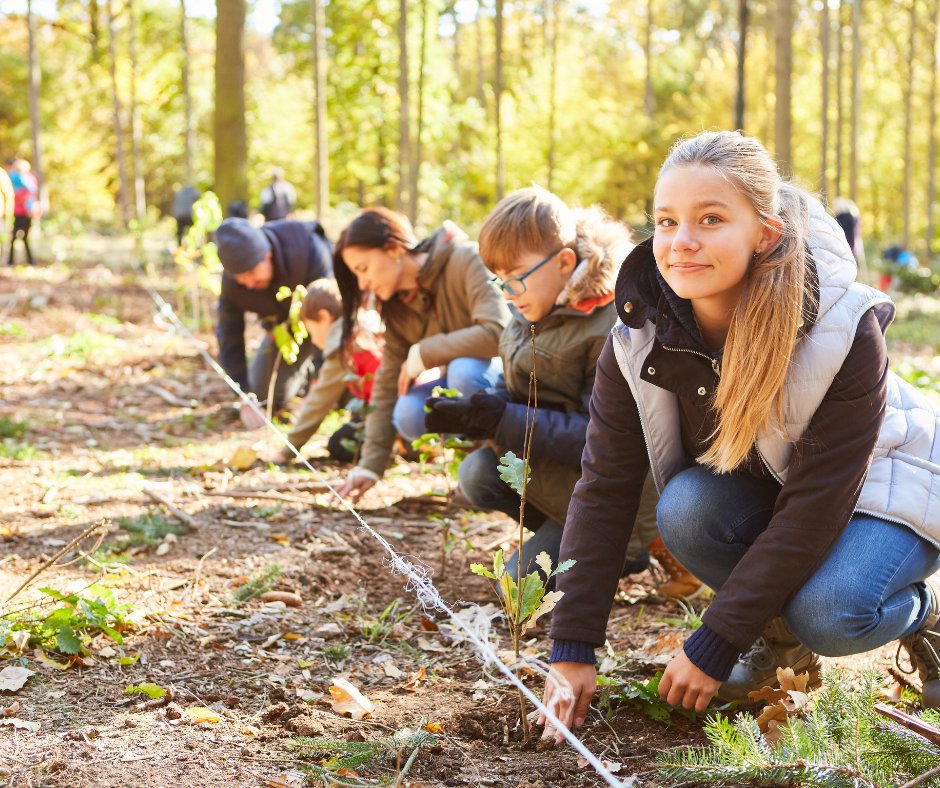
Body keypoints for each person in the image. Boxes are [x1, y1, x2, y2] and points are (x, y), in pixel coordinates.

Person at [540, 131, 940, 743]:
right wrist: (572, 644)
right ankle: (782, 644)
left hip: (892, 480)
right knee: (689, 506)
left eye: (711, 219)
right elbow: (605, 487)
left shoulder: (845, 326)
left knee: (832, 613)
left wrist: (715, 640)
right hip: (778, 492)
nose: (681, 242)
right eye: (667, 221)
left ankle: (929, 613)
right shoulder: (638, 332)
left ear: (765, 234)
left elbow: (814, 506)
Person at [423, 186, 667, 593]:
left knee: (516, 590)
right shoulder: (532, 304)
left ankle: (623, 547)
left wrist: (501, 420)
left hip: (614, 495)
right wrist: (477, 412)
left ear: (565, 263)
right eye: (498, 280)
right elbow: (521, 386)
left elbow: (601, 439)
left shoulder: (614, 324)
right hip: (567, 480)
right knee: (480, 473)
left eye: (515, 278)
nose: (507, 292)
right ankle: (575, 541)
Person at [333, 208, 510, 500]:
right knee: (407, 413)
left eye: (363, 269)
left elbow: (498, 332)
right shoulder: (398, 306)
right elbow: (387, 381)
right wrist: (370, 465)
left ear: (392, 249)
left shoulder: (465, 259)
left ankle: (501, 461)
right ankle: (468, 469)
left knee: (464, 371)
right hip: (462, 391)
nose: (362, 284)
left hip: (505, 383)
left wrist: (425, 352)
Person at [215, 217, 333, 427]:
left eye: (252, 272)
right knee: (264, 395)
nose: (249, 282)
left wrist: (317, 388)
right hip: (285, 332)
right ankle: (301, 381)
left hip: (327, 327)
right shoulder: (232, 284)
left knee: (332, 383)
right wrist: (243, 394)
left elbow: (333, 314)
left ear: (267, 255)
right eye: (241, 278)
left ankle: (328, 387)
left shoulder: (307, 249)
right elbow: (229, 335)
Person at [270, 278, 382, 464]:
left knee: (339, 444)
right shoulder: (363, 324)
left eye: (312, 332)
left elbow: (319, 402)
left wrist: (287, 450)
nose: (314, 341)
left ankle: (396, 442)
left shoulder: (344, 345)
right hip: (396, 401)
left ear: (324, 317)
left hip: (386, 412)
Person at [8, 159, 39, 266]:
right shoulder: (14, 178)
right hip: (18, 212)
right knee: (15, 237)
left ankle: (29, 260)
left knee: (24, 237)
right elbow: (14, 194)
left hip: (27, 212)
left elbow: (32, 195)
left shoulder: (29, 179)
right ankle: (11, 261)